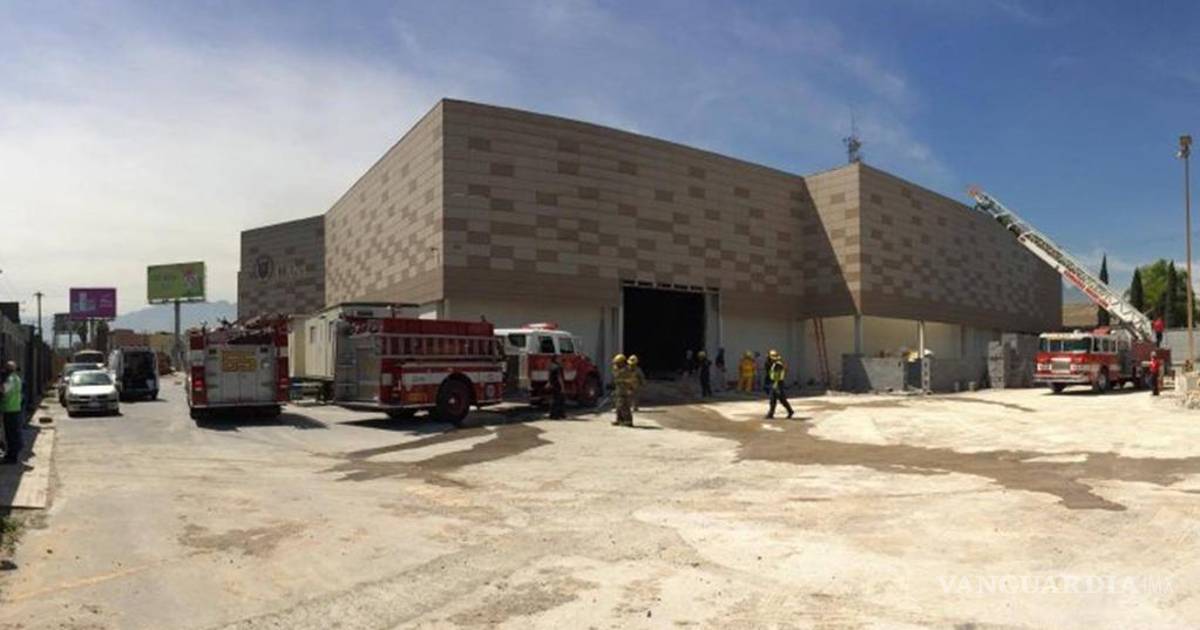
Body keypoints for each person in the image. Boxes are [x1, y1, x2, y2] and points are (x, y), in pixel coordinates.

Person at [2, 361, 24, 464]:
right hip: (16, 408)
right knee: (14, 433)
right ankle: (12, 454)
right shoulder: (17, 378)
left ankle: (12, 456)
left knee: (10, 434)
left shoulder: (10, 379)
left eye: (6, 368)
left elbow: (3, 390)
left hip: (9, 409)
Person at [764, 350, 794, 419]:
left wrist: (775, 384)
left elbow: (778, 375)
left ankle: (790, 411)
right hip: (773, 382)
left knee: (781, 399)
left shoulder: (778, 364)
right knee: (773, 399)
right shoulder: (770, 363)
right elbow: (769, 373)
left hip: (777, 383)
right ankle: (771, 414)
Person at [611, 354, 636, 427]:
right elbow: (616, 378)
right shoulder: (618, 369)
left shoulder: (626, 370)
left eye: (618, 363)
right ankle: (619, 420)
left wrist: (630, 389)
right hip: (619, 390)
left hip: (625, 391)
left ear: (622, 362)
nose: (616, 364)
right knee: (618, 406)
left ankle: (628, 421)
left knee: (624, 406)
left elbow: (630, 381)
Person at [547, 354, 566, 419]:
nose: (560, 359)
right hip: (558, 386)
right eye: (559, 358)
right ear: (556, 359)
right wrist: (562, 387)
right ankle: (557, 415)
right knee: (559, 400)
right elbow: (559, 378)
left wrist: (548, 383)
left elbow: (549, 375)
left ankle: (552, 415)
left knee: (553, 400)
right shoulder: (558, 367)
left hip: (552, 385)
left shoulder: (551, 366)